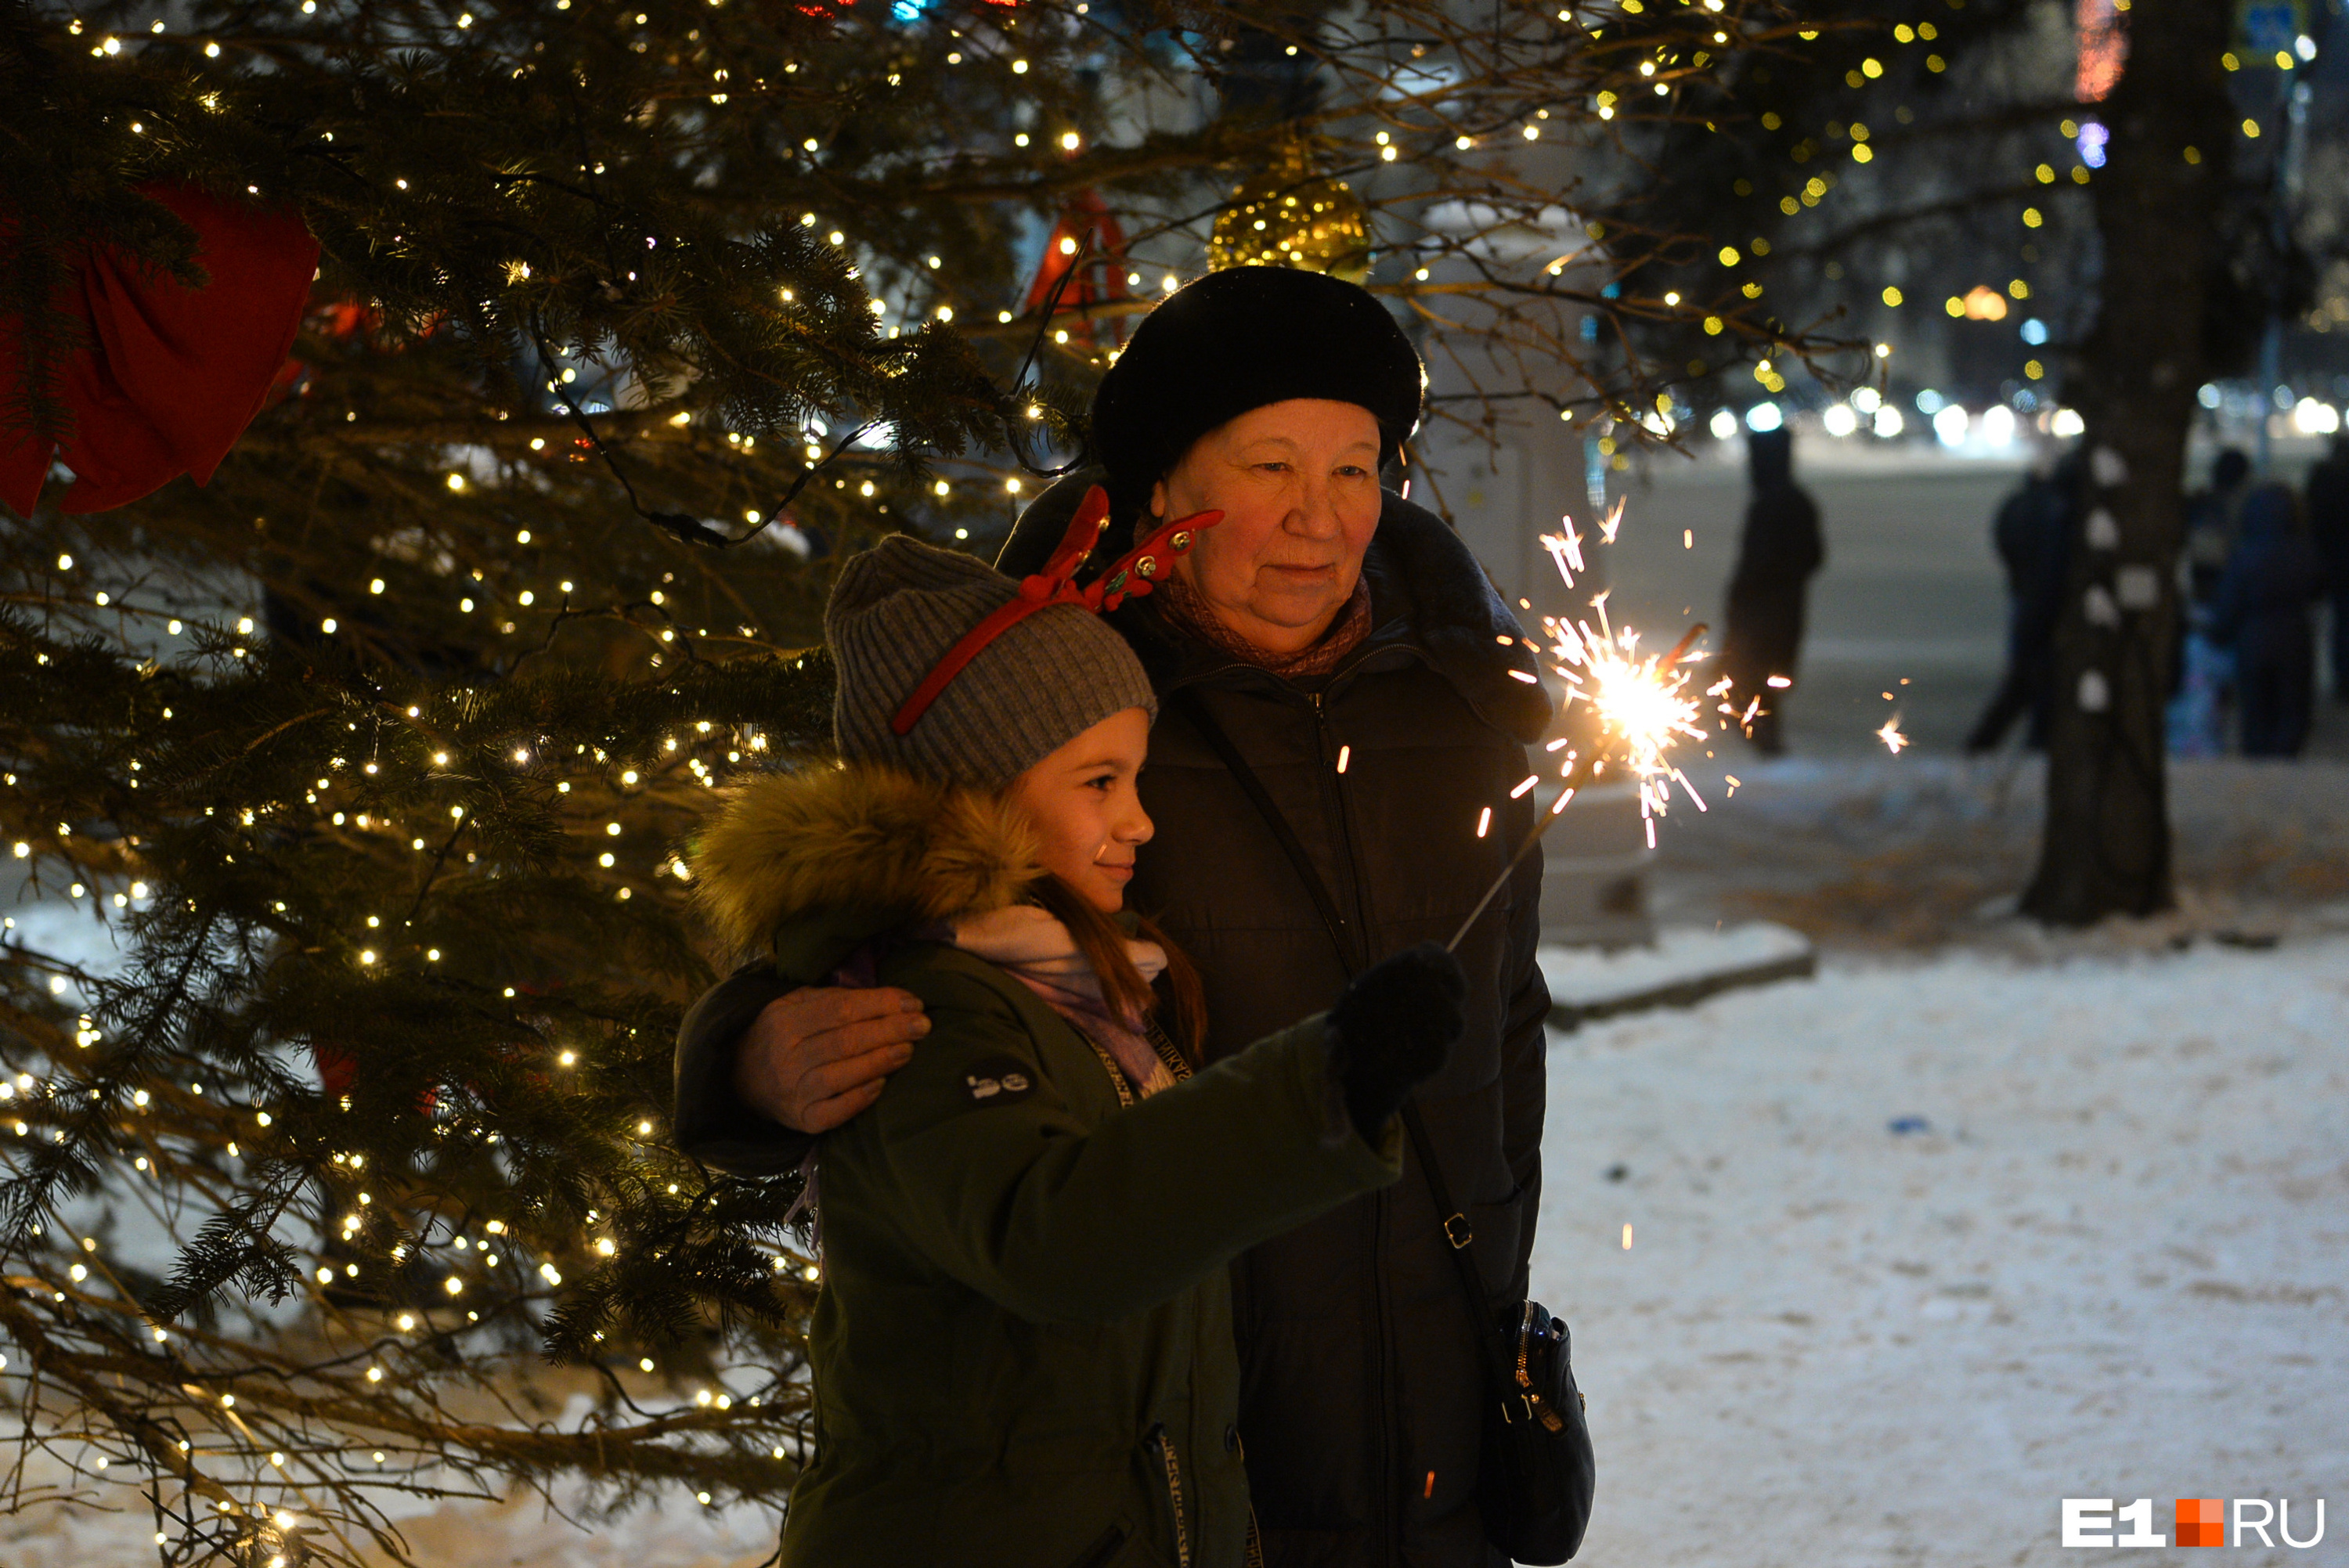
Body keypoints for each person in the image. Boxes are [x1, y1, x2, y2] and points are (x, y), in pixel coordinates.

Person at [674, 266, 1557, 1567]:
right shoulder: (1064, 697)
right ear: (1160, 487)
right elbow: (875, 898)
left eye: (1356, 469)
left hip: (1428, 1398)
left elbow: (1509, 1022)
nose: (1319, 520)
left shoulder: (1467, 696)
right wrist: (746, 1053)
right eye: (1269, 467)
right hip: (1171, 1422)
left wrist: (1492, 1298)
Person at [1717, 425, 1824, 755]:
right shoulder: (1789, 501)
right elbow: (1813, 556)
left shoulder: (1775, 504)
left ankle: (1770, 752)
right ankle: (1769, 749)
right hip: (1775, 611)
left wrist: (1753, 589)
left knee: (1748, 682)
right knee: (1756, 684)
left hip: (1765, 615)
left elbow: (1769, 563)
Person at [1965, 449, 2077, 753]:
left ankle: (1986, 748)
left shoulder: (2022, 504)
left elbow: (2005, 543)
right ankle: (2029, 747)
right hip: (2043, 605)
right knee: (2034, 683)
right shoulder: (2056, 512)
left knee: (2023, 681)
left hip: (2027, 599)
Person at [2211, 481, 2325, 757]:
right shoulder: (2305, 551)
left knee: (2256, 710)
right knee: (2292, 709)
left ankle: (2261, 764)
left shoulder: (2245, 554)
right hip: (2294, 635)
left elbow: (2229, 604)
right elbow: (2319, 589)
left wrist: (2219, 633)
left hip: (2254, 636)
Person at [2305, 431, 2349, 702]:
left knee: (2338, 623)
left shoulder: (2322, 479)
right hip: (2336, 559)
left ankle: (2343, 680)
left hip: (2329, 561)